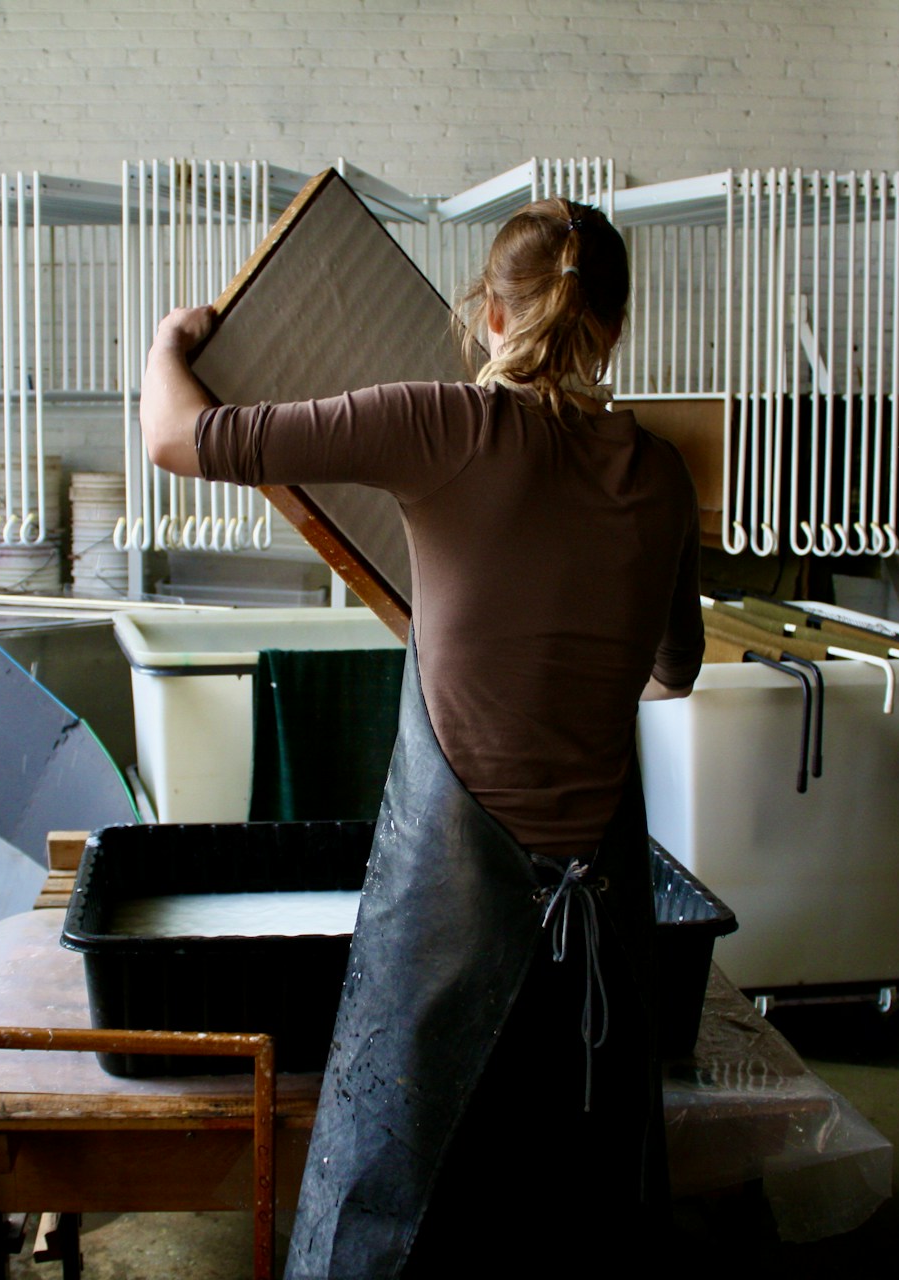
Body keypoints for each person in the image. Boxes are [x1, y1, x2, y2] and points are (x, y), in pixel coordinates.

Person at [140, 197, 703, 1278]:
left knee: (401, 1203)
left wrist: (171, 343)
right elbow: (674, 666)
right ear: (617, 329)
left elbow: (177, 437)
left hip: (449, 924)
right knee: (579, 1209)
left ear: (489, 314)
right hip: (599, 934)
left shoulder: (442, 425)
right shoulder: (665, 475)